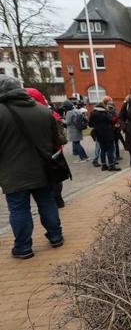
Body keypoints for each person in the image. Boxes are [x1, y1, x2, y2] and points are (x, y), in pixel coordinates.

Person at [0, 75, 64, 259]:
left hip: (13, 172)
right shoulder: (43, 111)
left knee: (19, 209)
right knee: (47, 202)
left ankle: (23, 247)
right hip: (44, 169)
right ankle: (56, 236)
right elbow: (58, 141)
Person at [25, 88, 68, 209]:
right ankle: (58, 199)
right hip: (51, 151)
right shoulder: (49, 114)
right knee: (54, 177)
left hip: (31, 156)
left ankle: (56, 199)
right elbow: (61, 137)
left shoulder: (14, 113)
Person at [88, 102, 121, 171]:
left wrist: (97, 126)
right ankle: (111, 165)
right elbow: (111, 121)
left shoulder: (92, 113)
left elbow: (90, 124)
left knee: (102, 150)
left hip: (99, 134)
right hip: (108, 133)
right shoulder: (105, 113)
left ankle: (104, 165)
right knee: (110, 150)